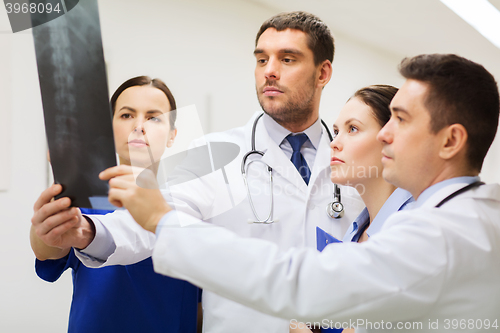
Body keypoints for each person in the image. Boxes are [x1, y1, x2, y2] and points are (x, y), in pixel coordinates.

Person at [101, 54, 500, 332]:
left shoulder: (445, 232)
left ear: (450, 141)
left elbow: (301, 282)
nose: (386, 134)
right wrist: (92, 231)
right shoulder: (454, 216)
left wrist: (163, 220)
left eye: (401, 119)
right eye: (261, 59)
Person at [31, 11, 364, 333]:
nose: (270, 71)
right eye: (262, 59)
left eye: (287, 59)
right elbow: (153, 222)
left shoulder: (360, 161)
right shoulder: (213, 154)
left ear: (322, 73)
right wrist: (88, 230)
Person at [30, 76, 199, 333]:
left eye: (154, 117)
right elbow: (48, 251)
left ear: (172, 135)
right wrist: (52, 214)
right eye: (126, 115)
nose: (139, 126)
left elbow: (199, 304)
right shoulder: (84, 200)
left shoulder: (192, 205)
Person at [293, 85, 414, 333]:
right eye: (336, 131)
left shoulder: (411, 230)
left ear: (391, 140)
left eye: (353, 129)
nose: (334, 144)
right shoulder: (355, 232)